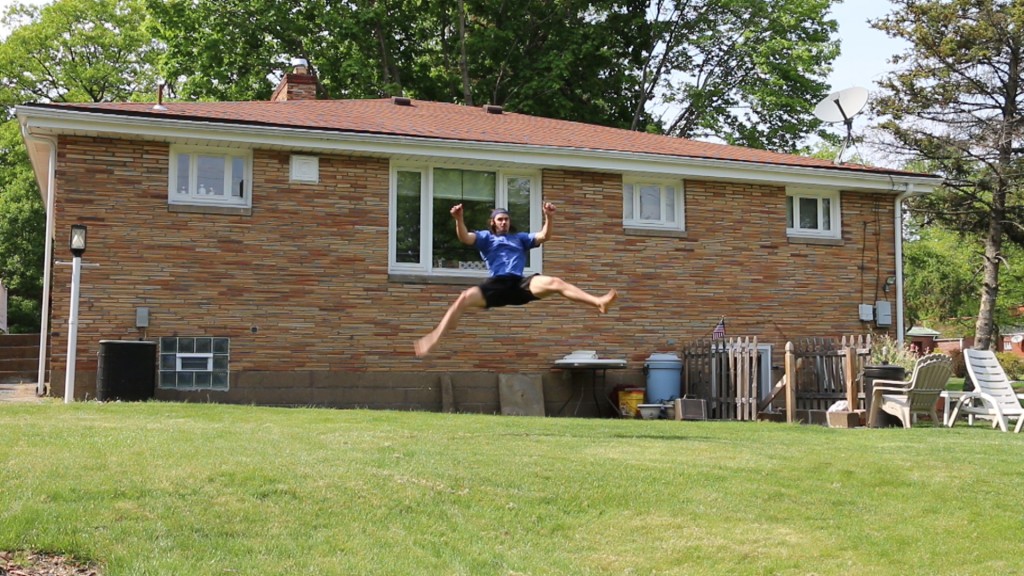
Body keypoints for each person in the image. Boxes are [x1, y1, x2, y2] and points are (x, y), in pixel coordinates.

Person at [414, 202, 618, 357]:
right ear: (493, 222)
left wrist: (549, 217)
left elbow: (544, 237)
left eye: (506, 219)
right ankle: (434, 338)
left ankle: (598, 302)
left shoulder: (520, 238)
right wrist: (458, 219)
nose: (504, 222)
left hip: (519, 284)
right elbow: (465, 238)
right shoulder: (486, 238)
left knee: (555, 282)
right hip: (497, 285)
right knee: (462, 299)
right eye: (500, 219)